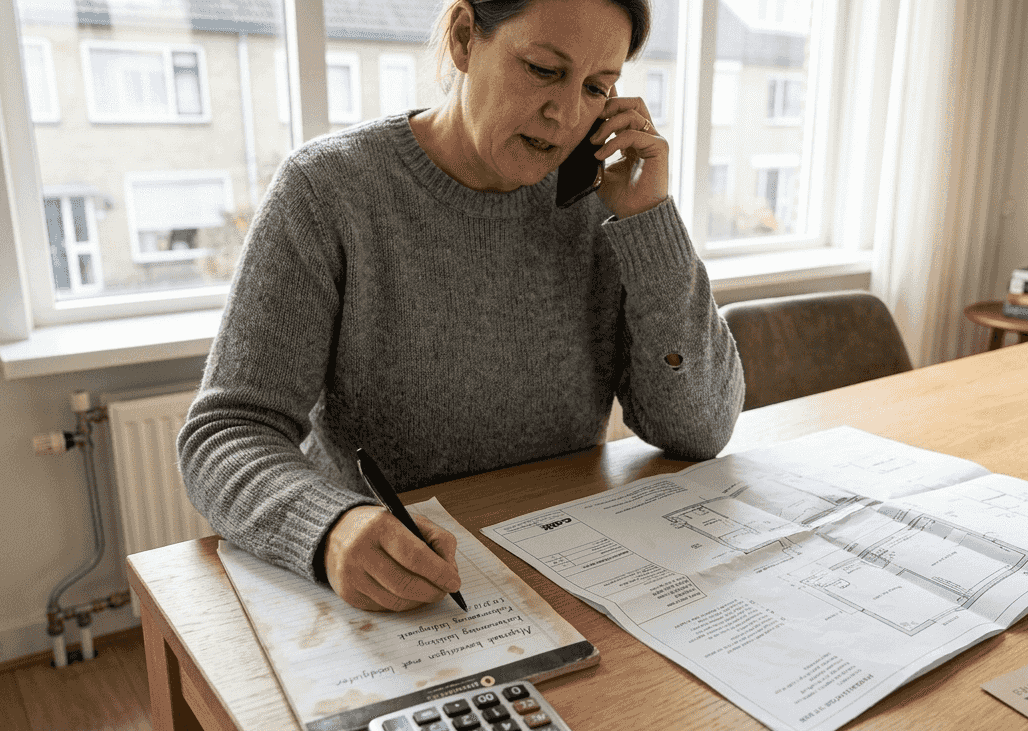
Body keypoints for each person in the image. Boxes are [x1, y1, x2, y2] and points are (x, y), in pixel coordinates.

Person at [177, 0, 744, 613]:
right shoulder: (330, 191)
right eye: (543, 70)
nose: (564, 115)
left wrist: (649, 224)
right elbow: (225, 434)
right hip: (395, 587)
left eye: (595, 87)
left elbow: (699, 431)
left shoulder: (604, 201)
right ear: (465, 38)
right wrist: (330, 527)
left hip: (566, 573)